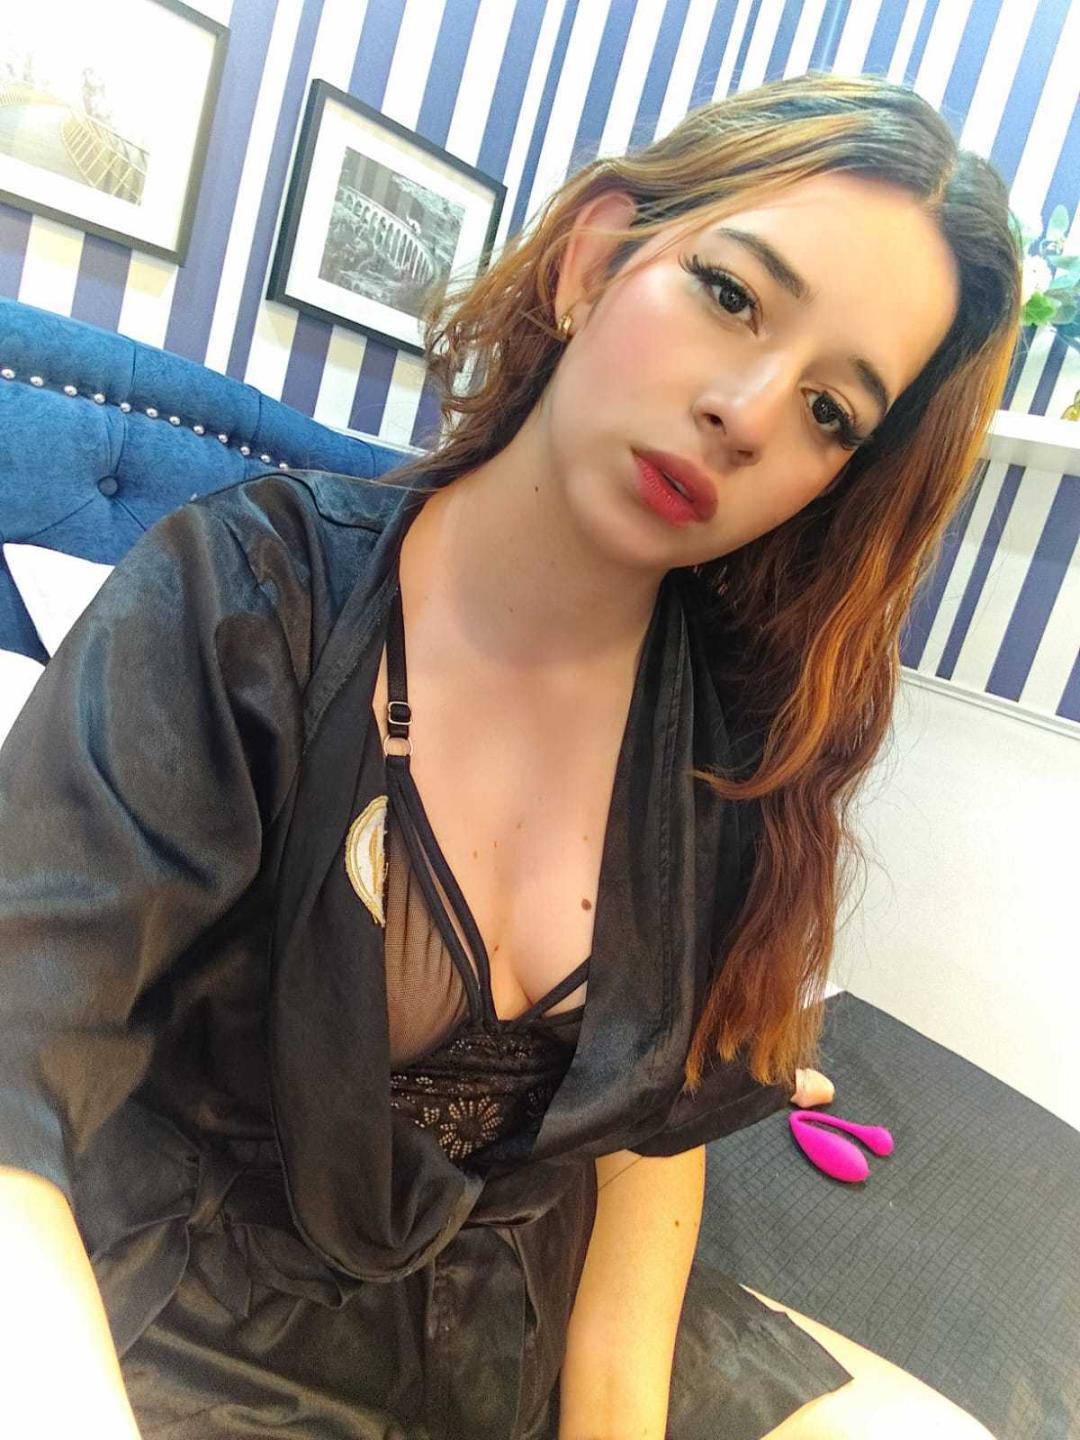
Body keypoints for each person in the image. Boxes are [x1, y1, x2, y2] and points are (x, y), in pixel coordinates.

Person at [0, 71, 1019, 1440]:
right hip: (202, 1323)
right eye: (731, 295)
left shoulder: (730, 753)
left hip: (524, 1317)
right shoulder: (244, 600)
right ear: (595, 260)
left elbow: (647, 1149)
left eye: (833, 411)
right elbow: (16, 1070)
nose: (751, 409)